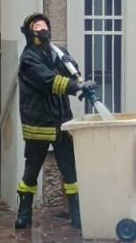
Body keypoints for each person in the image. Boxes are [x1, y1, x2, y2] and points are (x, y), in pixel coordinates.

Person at [14, 12, 95, 231]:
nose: (43, 29)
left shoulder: (58, 52)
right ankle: (24, 214)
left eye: (45, 25)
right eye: (37, 26)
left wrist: (75, 72)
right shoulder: (28, 59)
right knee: (31, 171)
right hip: (38, 123)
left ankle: (77, 215)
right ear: (29, 32)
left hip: (61, 120)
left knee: (70, 170)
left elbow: (71, 74)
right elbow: (49, 81)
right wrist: (75, 87)